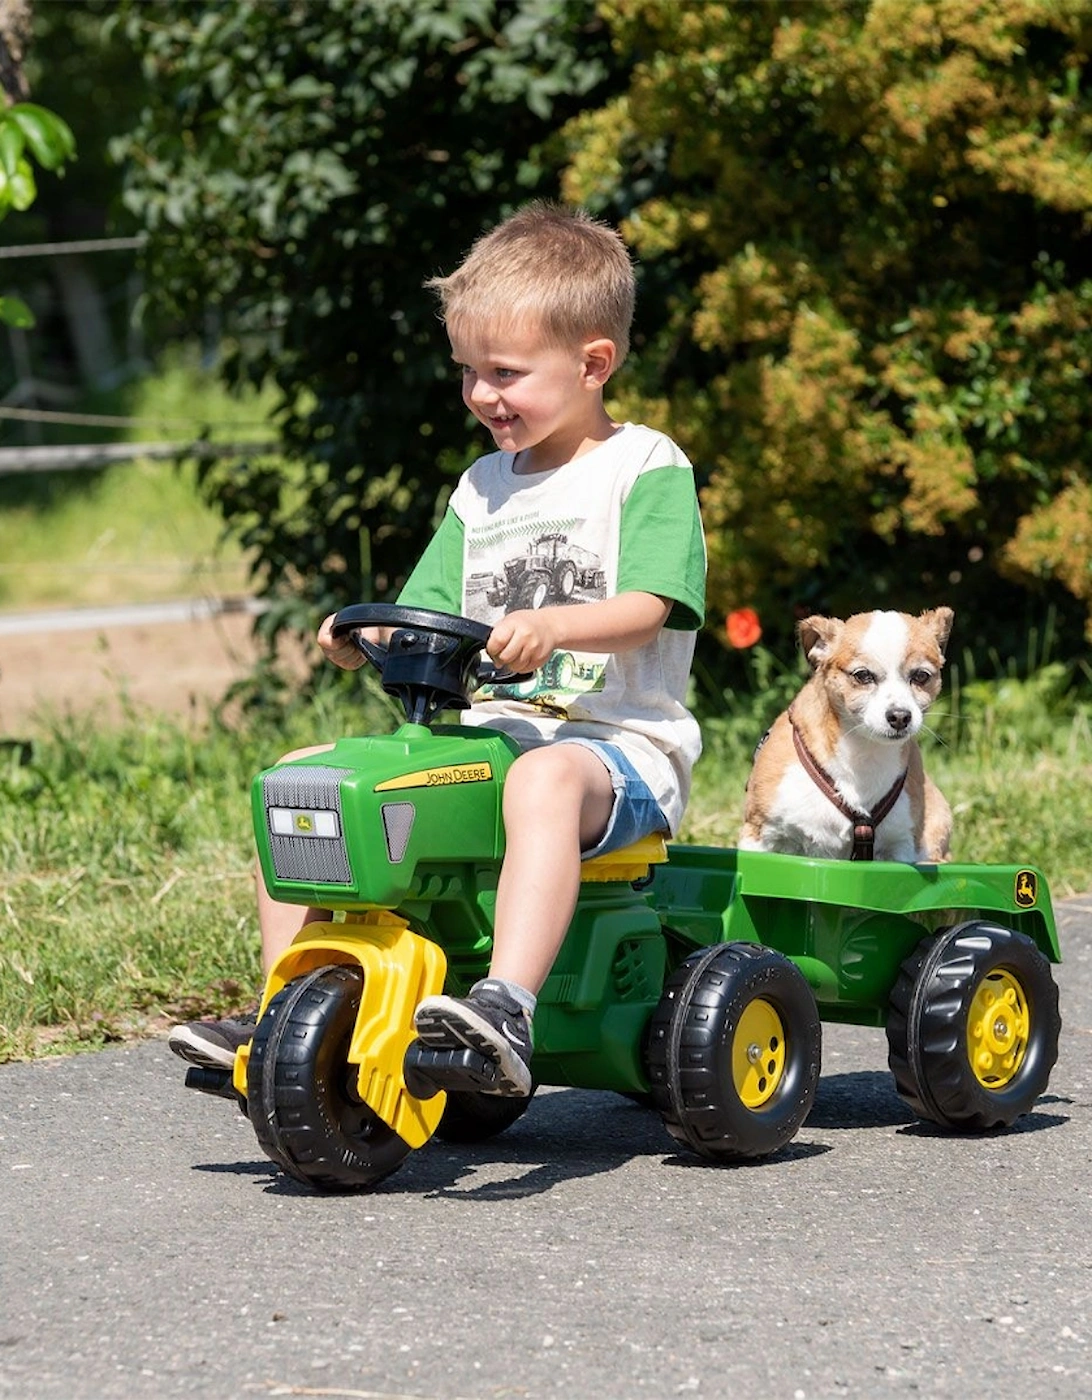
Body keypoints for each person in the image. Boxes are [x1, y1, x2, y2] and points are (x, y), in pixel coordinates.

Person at [169, 201, 705, 1097]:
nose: (482, 395)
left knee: (543, 779)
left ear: (594, 364)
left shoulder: (644, 467)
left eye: (506, 373)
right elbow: (421, 609)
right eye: (468, 372)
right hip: (491, 742)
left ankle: (507, 1005)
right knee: (311, 772)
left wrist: (555, 626)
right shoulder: (481, 488)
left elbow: (655, 605)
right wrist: (362, 632)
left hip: (617, 752)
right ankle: (290, 1002)